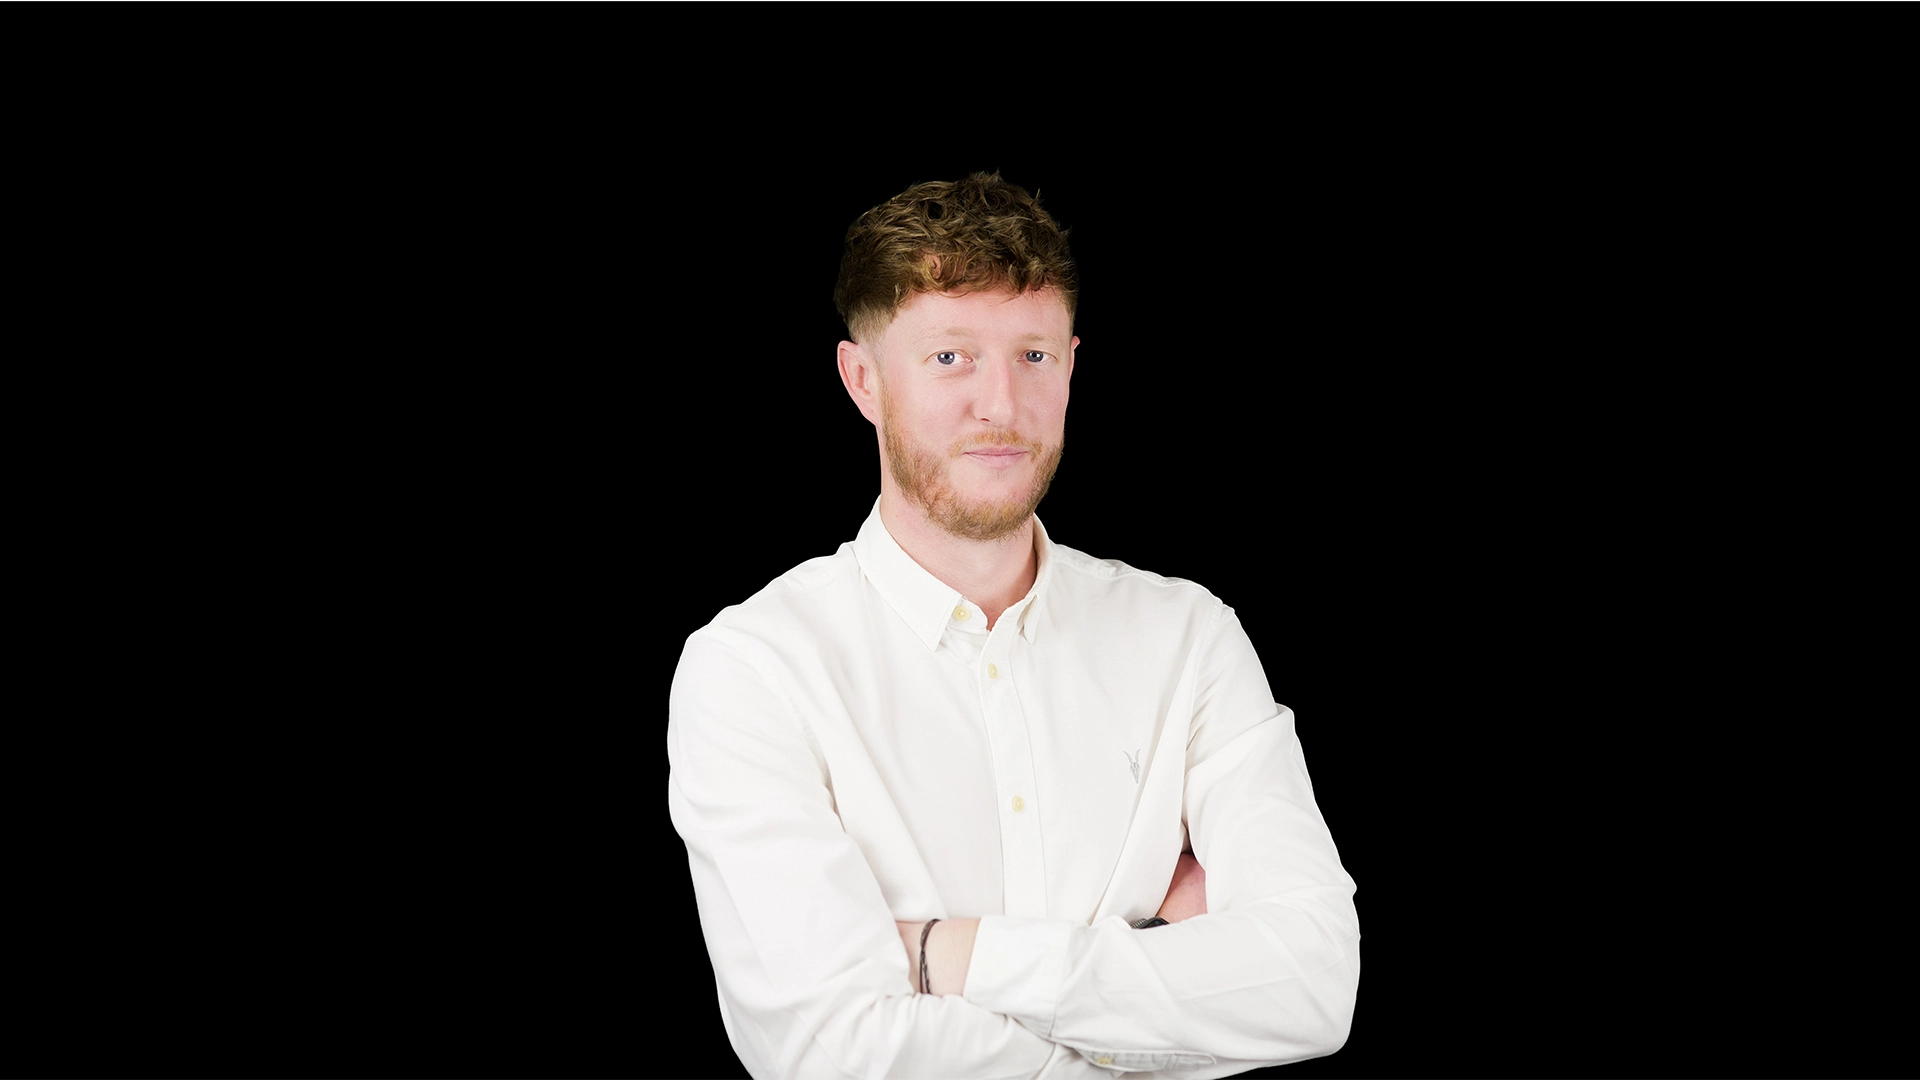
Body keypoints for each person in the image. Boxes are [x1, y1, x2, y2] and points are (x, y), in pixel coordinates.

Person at [667, 173, 1359, 1079]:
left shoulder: (1189, 639)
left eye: (1032, 356)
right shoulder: (753, 671)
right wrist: (1168, 1005)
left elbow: (1314, 984)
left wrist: (948, 955)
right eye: (950, 357)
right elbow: (832, 1051)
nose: (1000, 404)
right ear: (862, 380)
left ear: (1071, 364)